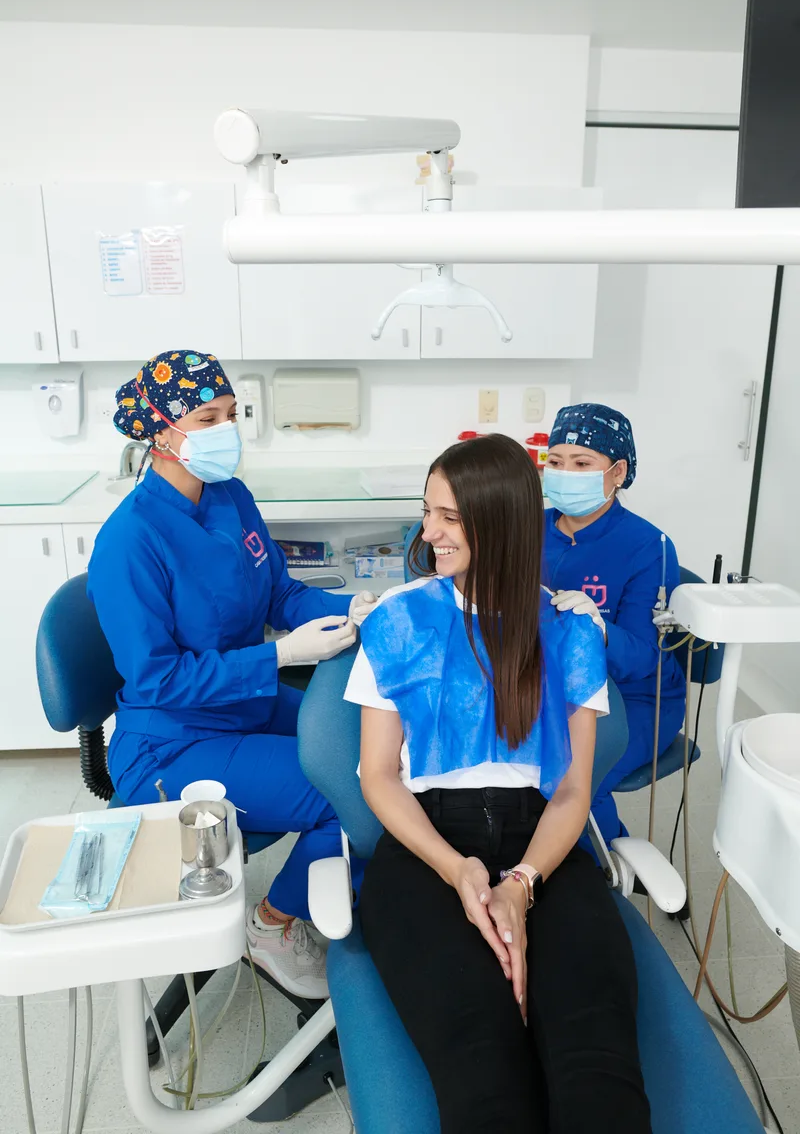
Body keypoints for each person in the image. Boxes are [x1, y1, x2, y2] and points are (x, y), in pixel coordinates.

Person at [345, 434, 651, 1134]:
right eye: (429, 512)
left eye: (449, 517)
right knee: (485, 1074)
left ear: (500, 520)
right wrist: (460, 873)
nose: (429, 533)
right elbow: (378, 776)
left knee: (598, 1069)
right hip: (428, 854)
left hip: (542, 847)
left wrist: (521, 884)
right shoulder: (398, 621)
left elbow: (573, 789)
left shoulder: (568, 631)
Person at [88, 350, 377, 999]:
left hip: (244, 705)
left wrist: (353, 611)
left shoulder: (230, 497)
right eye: (207, 417)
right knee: (354, 793)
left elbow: (279, 595)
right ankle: (272, 925)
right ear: (161, 430)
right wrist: (279, 657)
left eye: (230, 414)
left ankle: (342, 892)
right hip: (172, 744)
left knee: (374, 749)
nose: (226, 430)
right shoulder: (128, 541)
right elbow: (158, 680)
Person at [542, 403, 685, 845]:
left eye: (582, 463)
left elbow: (644, 657)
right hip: (549, 685)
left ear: (618, 472)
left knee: (570, 779)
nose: (566, 474)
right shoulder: (529, 530)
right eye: (556, 462)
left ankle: (598, 872)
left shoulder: (649, 547)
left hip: (636, 698)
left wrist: (599, 631)